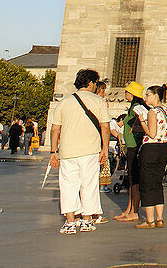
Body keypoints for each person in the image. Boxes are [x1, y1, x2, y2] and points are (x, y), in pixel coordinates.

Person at [48, 68, 111, 235]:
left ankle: (70, 222)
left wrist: (53, 151)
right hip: (90, 150)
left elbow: (55, 129)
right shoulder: (98, 101)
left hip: (67, 151)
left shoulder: (64, 102)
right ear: (90, 83)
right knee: (88, 184)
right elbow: (105, 127)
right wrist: (105, 148)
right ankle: (87, 220)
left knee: (68, 185)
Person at [132, 84, 167, 228]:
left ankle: (149, 220)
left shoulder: (152, 112)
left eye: (148, 95)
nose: (145, 97)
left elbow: (152, 133)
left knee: (147, 183)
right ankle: (159, 218)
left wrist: (142, 120)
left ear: (156, 96)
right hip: (163, 147)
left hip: (150, 148)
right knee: (157, 183)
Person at [113, 82, 147, 223]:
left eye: (127, 92)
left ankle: (134, 211)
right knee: (131, 178)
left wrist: (134, 129)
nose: (125, 94)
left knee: (134, 179)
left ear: (132, 93)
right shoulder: (133, 107)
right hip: (130, 145)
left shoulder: (137, 108)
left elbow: (141, 122)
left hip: (134, 144)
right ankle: (129, 209)